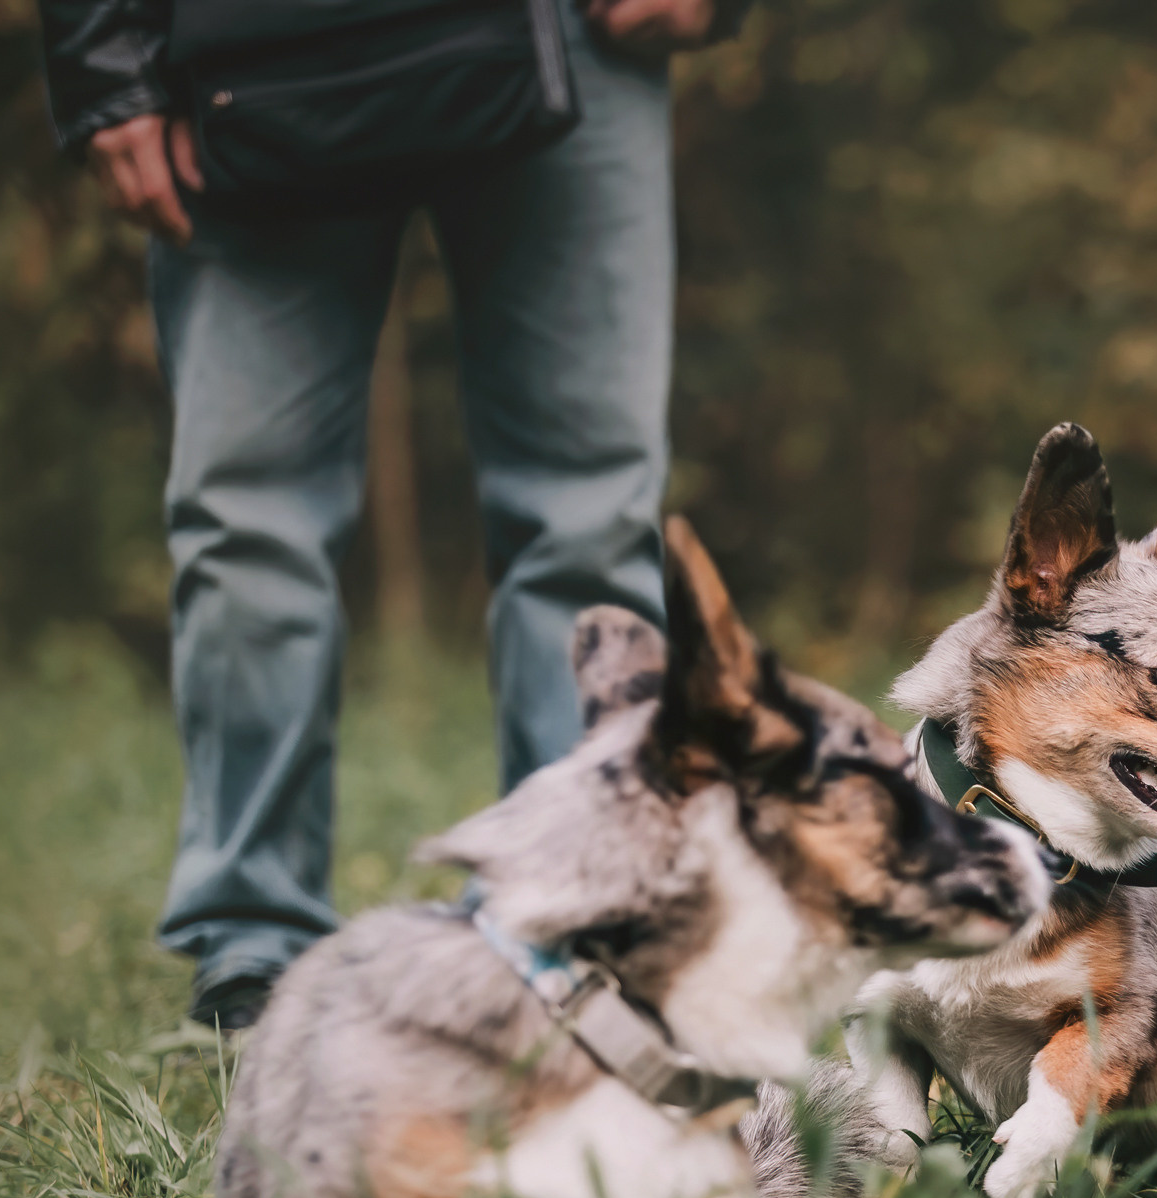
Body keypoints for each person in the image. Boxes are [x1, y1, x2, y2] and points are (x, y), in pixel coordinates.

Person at [37, 0, 728, 1028]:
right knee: (246, 525)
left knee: (589, 519)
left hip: (572, 37)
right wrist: (111, 75)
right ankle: (251, 939)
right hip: (246, 54)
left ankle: (577, 920)